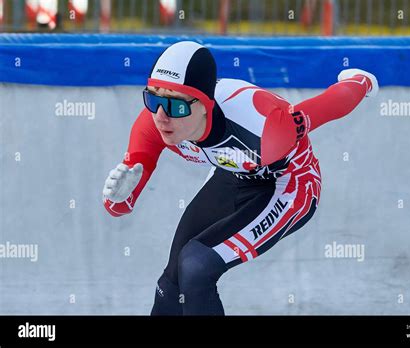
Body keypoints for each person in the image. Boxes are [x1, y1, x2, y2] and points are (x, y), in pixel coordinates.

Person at [102, 41, 378, 315]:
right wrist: (118, 199)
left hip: (289, 184)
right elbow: (120, 207)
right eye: (154, 99)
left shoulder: (262, 125)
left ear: (205, 104)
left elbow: (329, 105)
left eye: (176, 106)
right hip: (236, 173)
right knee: (171, 283)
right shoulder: (152, 123)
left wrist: (360, 82)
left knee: (197, 265)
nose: (161, 117)